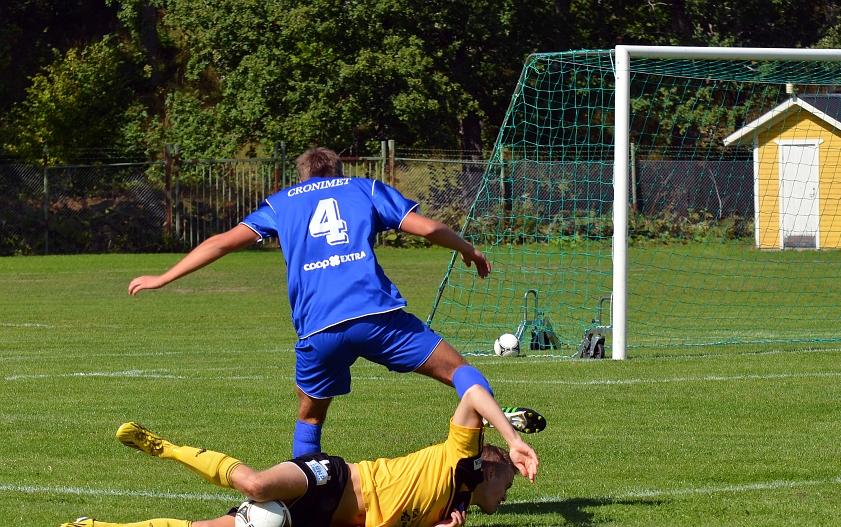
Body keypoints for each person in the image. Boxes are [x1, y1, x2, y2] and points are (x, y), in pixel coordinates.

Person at [128, 147, 544, 460]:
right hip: (377, 317)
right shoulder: (364, 189)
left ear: (303, 176)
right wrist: (468, 250)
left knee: (309, 417)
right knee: (462, 372)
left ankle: (301, 492)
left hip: (320, 328)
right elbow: (429, 228)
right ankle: (494, 423)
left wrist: (163, 277)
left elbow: (221, 242)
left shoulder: (282, 202)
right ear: (338, 172)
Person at [57, 384, 534, 527]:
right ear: (489, 467)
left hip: (322, 522)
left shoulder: (457, 509)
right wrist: (511, 438)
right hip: (336, 479)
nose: (508, 493)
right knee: (255, 485)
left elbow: (405, 517)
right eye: (508, 483)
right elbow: (472, 394)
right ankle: (163, 446)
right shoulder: (460, 458)